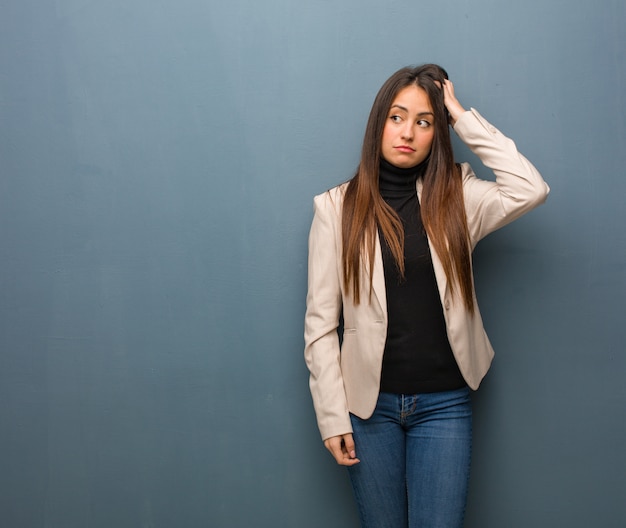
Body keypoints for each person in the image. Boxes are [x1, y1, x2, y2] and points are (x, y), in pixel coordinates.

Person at [303, 64, 549, 528]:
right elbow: (320, 324)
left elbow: (530, 189)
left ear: (438, 132)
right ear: (379, 124)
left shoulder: (458, 196)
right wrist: (332, 416)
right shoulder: (335, 208)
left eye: (424, 121)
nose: (408, 132)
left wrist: (460, 115)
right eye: (397, 117)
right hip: (367, 410)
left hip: (444, 405)